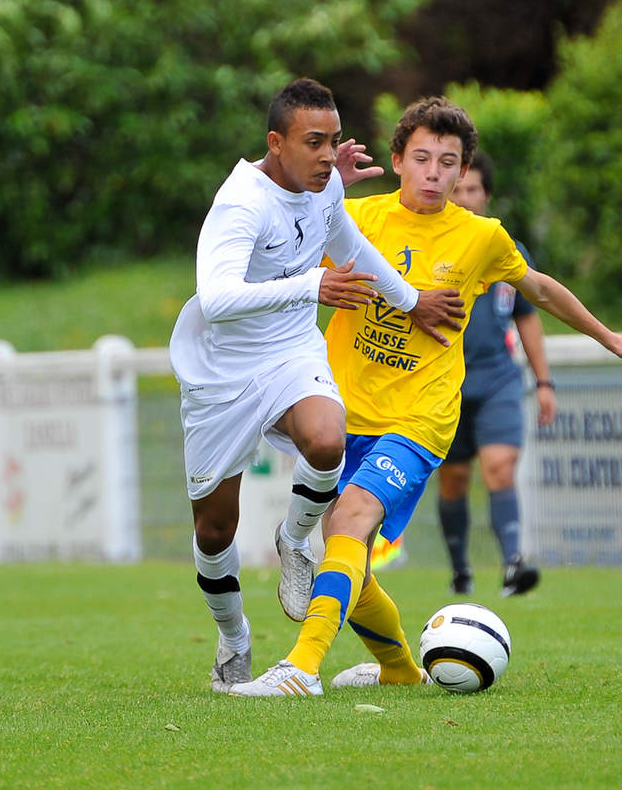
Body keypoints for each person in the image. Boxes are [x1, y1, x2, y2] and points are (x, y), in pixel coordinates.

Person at [229, 96, 622, 697]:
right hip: (340, 409)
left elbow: (537, 287)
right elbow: (281, 252)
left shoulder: (481, 237)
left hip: (420, 417)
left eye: (449, 162)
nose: (435, 173)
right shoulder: (357, 220)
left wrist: (610, 336)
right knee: (341, 547)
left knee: (351, 521)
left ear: (464, 174)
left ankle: (301, 668)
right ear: (398, 160)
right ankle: (401, 669)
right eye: (424, 158)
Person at [168, 78, 465, 694]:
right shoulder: (239, 204)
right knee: (214, 529)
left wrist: (409, 302)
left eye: (333, 140)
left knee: (329, 441)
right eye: (313, 142)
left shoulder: (326, 183)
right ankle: (234, 638)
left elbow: (351, 245)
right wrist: (313, 287)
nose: (329, 156)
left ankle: (295, 539)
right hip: (220, 369)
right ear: (275, 143)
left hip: (289, 350)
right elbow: (218, 299)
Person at [437, 151, 553, 597]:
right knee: (454, 478)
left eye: (473, 190)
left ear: (486, 195)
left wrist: (544, 382)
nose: (465, 198)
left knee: (500, 468)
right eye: (458, 189)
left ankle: (511, 563)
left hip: (499, 378)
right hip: (445, 382)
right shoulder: (437, 244)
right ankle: (460, 569)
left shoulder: (507, 249)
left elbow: (529, 315)